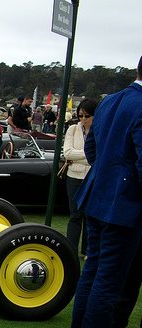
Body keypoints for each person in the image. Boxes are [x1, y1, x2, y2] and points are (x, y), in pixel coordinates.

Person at [69, 57, 142, 328]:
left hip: (98, 193)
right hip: (122, 202)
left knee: (94, 269)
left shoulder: (109, 101)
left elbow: (92, 149)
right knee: (108, 277)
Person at [62, 98, 98, 258]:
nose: (83, 119)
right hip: (73, 176)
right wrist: (89, 155)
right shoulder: (73, 130)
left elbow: (100, 155)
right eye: (81, 116)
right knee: (75, 214)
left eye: (87, 116)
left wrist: (79, 156)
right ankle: (71, 249)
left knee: (90, 215)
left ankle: (87, 251)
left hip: (92, 177)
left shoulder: (100, 130)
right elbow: (67, 153)